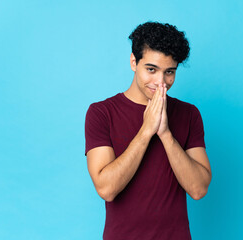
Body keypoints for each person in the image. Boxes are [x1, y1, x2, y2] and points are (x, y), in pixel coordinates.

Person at [85, 21, 212, 240]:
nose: (160, 82)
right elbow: (106, 189)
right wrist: (146, 131)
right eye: (151, 70)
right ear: (134, 62)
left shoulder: (189, 114)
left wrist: (165, 134)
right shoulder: (101, 113)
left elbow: (198, 189)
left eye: (169, 72)